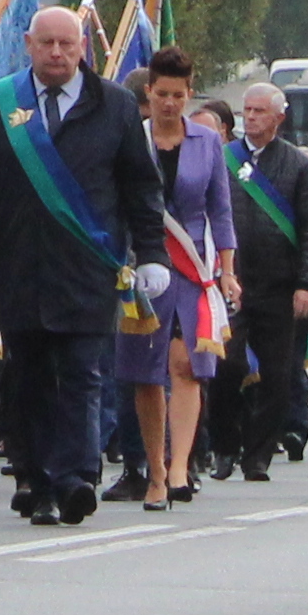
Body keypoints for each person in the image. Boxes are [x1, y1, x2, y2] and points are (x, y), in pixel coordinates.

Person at [0, 1, 142, 522]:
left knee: (82, 374)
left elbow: (140, 190)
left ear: (82, 48)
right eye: (47, 43)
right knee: (29, 379)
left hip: (88, 270)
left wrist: (149, 254)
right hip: (21, 269)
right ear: (29, 46)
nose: (57, 52)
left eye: (67, 43)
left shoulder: (116, 105)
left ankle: (77, 477)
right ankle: (37, 483)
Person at [118, 46, 233, 510]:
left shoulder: (207, 144)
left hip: (193, 268)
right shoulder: (130, 138)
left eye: (179, 95)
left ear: (189, 94)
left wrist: (228, 272)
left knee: (186, 366)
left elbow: (220, 210)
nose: (170, 103)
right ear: (148, 93)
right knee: (147, 373)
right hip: (142, 267)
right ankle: (156, 471)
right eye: (161, 94)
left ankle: (181, 466)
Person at [218, 80, 308, 482]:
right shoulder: (223, 157)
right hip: (233, 282)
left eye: (260, 111)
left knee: (278, 376)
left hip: (279, 287)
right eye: (247, 110)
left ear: (279, 118)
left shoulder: (298, 165)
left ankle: (257, 455)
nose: (250, 118)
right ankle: (226, 445)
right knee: (226, 366)